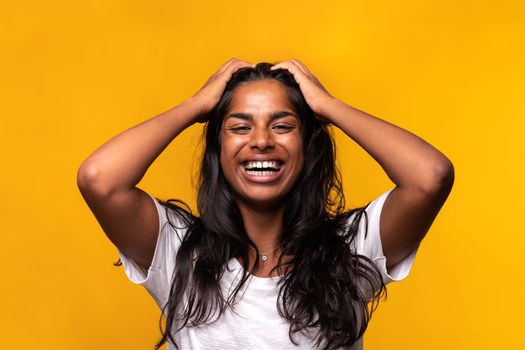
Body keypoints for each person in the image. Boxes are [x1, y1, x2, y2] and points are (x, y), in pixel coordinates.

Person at [77, 58, 454, 350]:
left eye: (283, 126)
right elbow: (101, 180)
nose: (260, 141)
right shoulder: (179, 254)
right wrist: (196, 105)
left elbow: (430, 176)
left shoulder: (352, 251)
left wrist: (327, 105)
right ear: (218, 150)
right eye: (240, 127)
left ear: (308, 146)